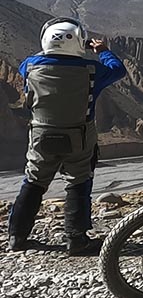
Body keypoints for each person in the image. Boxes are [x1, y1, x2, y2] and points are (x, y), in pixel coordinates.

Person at [8, 18, 127, 255]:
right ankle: (77, 239)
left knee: (34, 181)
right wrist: (102, 51)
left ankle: (17, 237)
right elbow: (118, 70)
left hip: (41, 134)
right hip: (79, 135)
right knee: (78, 182)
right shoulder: (92, 69)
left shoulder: (29, 66)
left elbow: (40, 60)